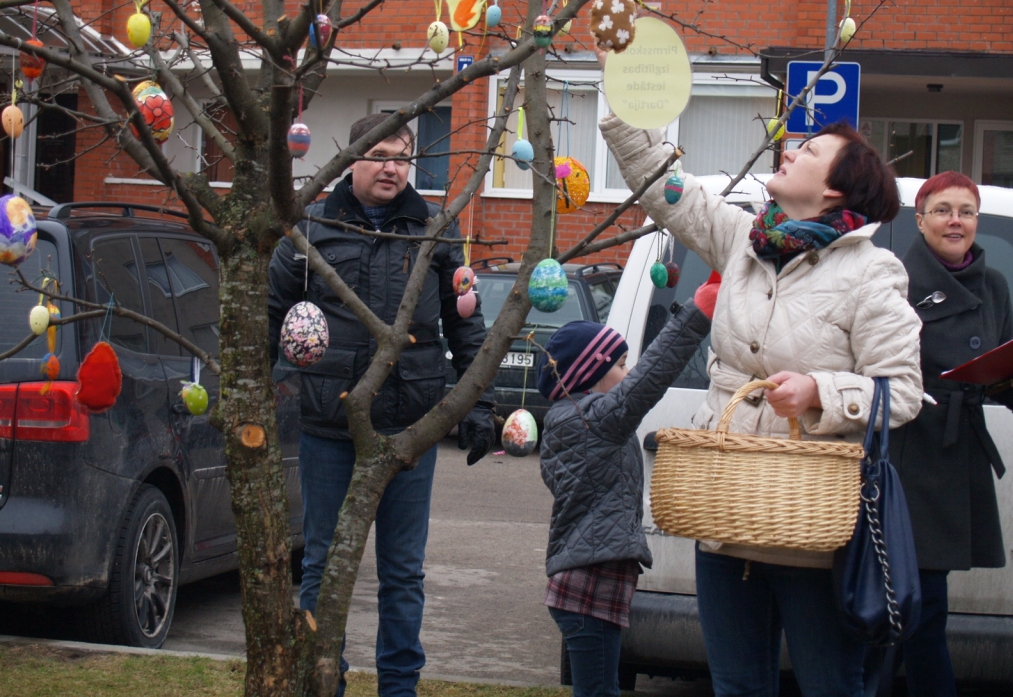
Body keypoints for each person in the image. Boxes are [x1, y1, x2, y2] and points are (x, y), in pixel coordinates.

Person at [600, 103, 923, 696]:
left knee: (832, 687)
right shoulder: (744, 240)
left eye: (811, 150)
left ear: (833, 189)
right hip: (723, 522)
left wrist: (819, 392)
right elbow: (663, 186)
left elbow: (900, 392)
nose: (791, 150)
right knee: (737, 688)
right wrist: (627, 99)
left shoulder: (872, 273)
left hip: (813, 538)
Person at [267, 113, 495, 697]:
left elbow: (466, 326)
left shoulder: (434, 229)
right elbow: (272, 317)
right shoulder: (311, 228)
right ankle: (324, 680)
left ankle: (399, 688)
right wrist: (258, 395)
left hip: (408, 432)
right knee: (321, 562)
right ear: (351, 160)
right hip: (329, 425)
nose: (392, 167)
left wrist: (477, 406)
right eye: (380, 155)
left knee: (402, 573)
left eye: (403, 157)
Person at [539, 275, 720, 697]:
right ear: (589, 374)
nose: (628, 373)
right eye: (620, 365)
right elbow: (651, 378)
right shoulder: (589, 422)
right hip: (586, 589)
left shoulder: (583, 421)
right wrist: (698, 312)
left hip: (592, 587)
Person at [889, 172, 1013, 696]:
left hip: (958, 450)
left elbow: (998, 374)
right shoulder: (897, 281)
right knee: (908, 608)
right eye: (943, 210)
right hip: (910, 454)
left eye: (966, 212)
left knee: (927, 608)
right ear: (920, 220)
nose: (955, 221)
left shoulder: (994, 284)